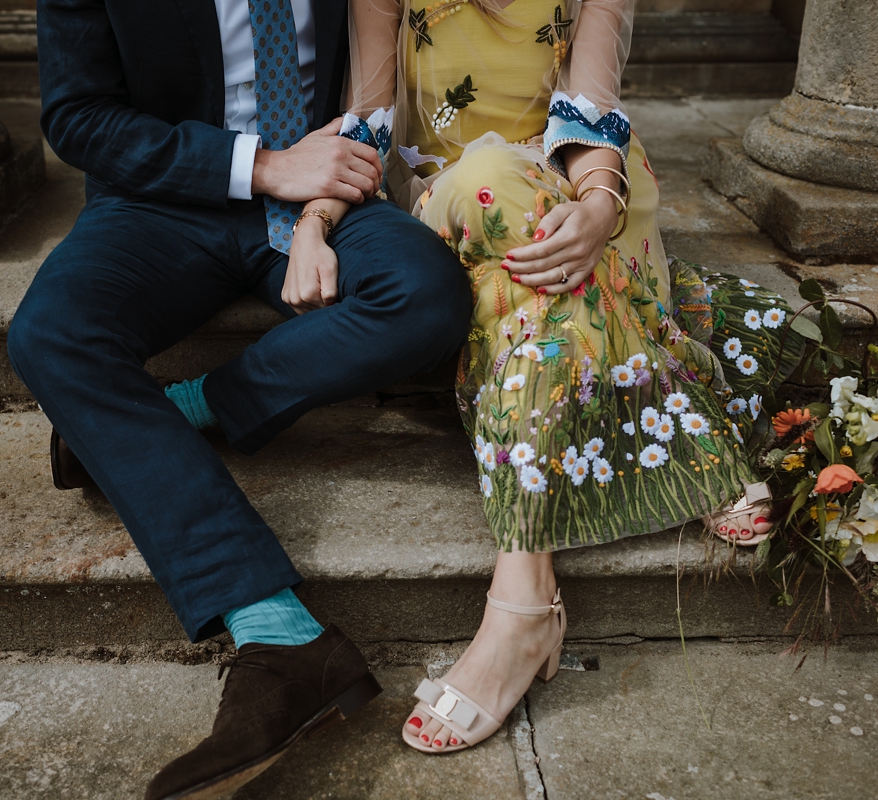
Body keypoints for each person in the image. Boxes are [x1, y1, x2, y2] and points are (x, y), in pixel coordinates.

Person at [300, 0, 805, 753]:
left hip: (578, 192)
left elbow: (590, 110)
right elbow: (367, 118)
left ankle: (525, 601)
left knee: (530, 289)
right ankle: (682, 408)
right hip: (460, 202)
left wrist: (601, 206)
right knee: (487, 173)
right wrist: (314, 223)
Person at [8, 0, 470, 796]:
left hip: (327, 190)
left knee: (427, 293)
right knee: (50, 334)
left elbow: (375, 74)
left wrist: (313, 187)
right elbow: (78, 117)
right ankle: (277, 630)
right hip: (158, 203)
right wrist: (259, 165)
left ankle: (185, 409)